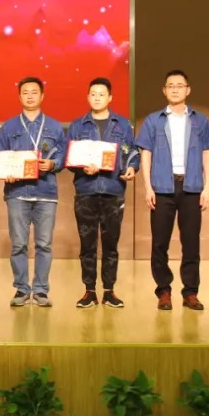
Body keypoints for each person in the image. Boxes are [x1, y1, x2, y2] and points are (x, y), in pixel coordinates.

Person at [134, 69, 209, 311]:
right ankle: (164, 291)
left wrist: (207, 187)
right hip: (162, 187)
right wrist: (147, 187)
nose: (175, 89)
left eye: (179, 85)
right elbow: (146, 154)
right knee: (159, 243)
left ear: (188, 90)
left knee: (191, 243)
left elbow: (207, 154)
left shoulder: (200, 120)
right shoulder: (154, 120)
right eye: (170, 85)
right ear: (164, 90)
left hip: (191, 187)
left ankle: (190, 292)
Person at [66, 77, 139, 309]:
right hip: (86, 191)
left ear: (110, 98)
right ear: (88, 97)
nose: (97, 98)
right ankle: (89, 291)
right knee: (87, 244)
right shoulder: (77, 126)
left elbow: (133, 152)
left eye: (101, 94)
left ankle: (109, 291)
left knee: (111, 244)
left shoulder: (122, 125)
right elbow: (69, 158)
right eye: (93, 94)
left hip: (113, 190)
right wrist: (82, 167)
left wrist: (132, 167)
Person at [0, 77, 67, 307]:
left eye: (34, 92)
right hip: (17, 192)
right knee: (18, 244)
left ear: (42, 96)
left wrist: (53, 164)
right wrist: (6, 172)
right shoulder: (9, 127)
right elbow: (1, 158)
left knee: (44, 244)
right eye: (25, 92)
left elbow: (63, 156)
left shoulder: (54, 127)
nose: (29, 96)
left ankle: (41, 290)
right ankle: (21, 289)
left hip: (46, 192)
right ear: (19, 96)